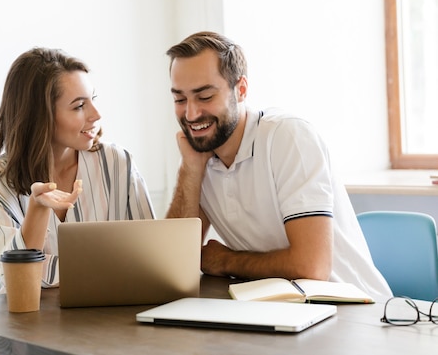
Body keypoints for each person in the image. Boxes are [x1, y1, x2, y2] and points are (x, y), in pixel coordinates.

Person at [165, 31, 392, 300]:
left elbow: (312, 266)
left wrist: (226, 261)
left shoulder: (288, 137)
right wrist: (190, 168)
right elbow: (173, 265)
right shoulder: (201, 153)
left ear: (241, 90)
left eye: (204, 97)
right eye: (180, 99)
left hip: (356, 312)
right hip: (279, 313)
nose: (191, 114)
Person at [0, 47, 155, 293]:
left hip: (104, 314)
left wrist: (51, 268)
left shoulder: (117, 162)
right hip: (28, 321)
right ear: (40, 117)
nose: (96, 115)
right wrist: (37, 210)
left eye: (93, 99)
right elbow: (15, 279)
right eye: (78, 106)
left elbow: (150, 256)